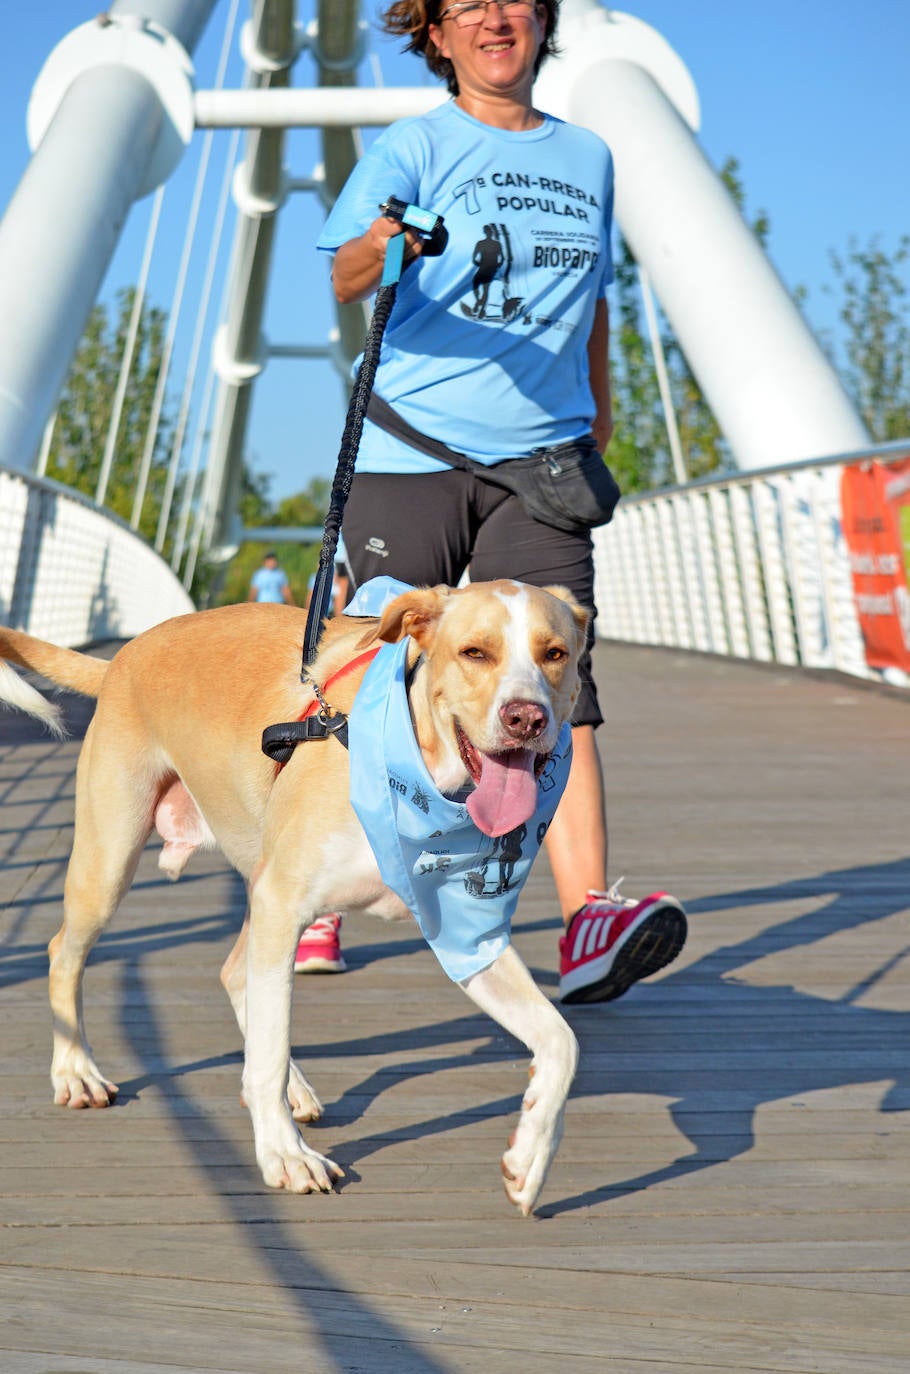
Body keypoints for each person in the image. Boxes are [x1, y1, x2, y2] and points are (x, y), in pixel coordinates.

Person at [303, 0, 687, 1002]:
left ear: (542, 20)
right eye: (465, 5)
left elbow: (593, 297)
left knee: (562, 675)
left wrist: (596, 417)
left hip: (541, 463)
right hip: (411, 448)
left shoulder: (590, 157)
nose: (494, 17)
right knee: (369, 665)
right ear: (433, 34)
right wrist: (396, 241)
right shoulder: (414, 145)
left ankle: (590, 920)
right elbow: (344, 275)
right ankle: (319, 892)